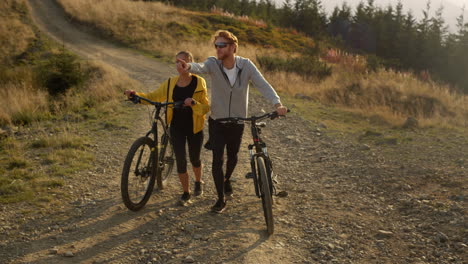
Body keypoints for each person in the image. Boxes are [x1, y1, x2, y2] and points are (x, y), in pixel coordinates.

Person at [177, 30, 288, 213]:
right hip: (217, 121)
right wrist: (188, 67)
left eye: (222, 45)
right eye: (217, 45)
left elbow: (262, 84)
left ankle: (227, 179)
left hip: (237, 121)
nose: (218, 49)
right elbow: (201, 67)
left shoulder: (246, 65)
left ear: (233, 47)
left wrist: (277, 103)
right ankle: (220, 199)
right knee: (217, 161)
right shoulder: (213, 63)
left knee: (233, 157)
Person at [125, 51, 210, 206]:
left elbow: (205, 108)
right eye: (177, 62)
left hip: (194, 127)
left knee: (195, 159)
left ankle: (198, 181)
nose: (180, 65)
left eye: (183, 61)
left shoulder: (199, 82)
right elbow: (154, 96)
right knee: (181, 161)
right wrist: (135, 95)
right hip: (176, 127)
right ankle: (186, 192)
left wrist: (194, 104)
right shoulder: (171, 83)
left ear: (190, 63)